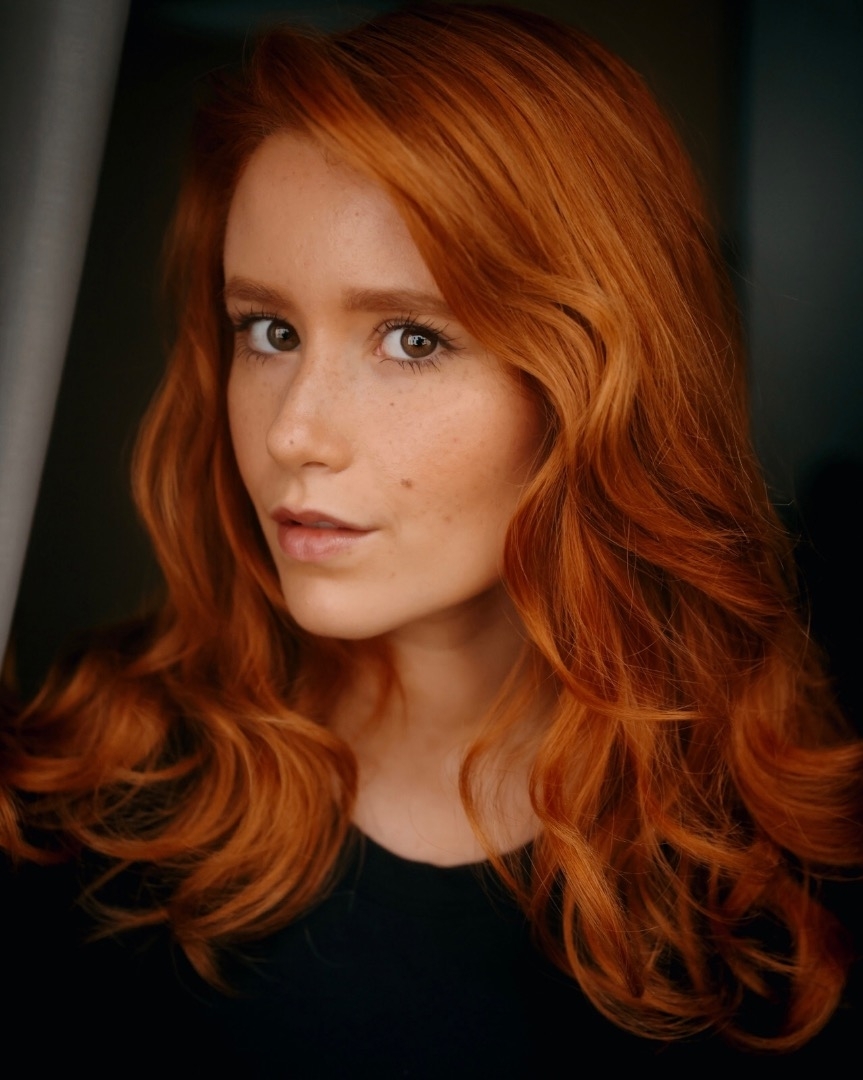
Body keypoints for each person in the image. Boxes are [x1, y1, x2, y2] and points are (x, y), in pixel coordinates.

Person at [2, 3, 860, 1073]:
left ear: (593, 380)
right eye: (269, 331)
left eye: (411, 339)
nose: (293, 432)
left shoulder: (777, 873)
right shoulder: (89, 797)